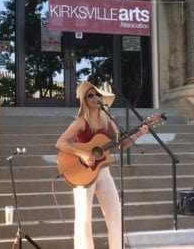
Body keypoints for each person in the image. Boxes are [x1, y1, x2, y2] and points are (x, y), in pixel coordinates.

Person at [55, 81, 149, 249]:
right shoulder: (81, 122)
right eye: (90, 95)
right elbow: (60, 143)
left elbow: (121, 145)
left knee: (115, 214)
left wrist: (138, 134)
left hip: (103, 172)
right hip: (83, 174)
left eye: (97, 94)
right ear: (85, 100)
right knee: (84, 218)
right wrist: (82, 153)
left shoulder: (109, 122)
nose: (94, 97)